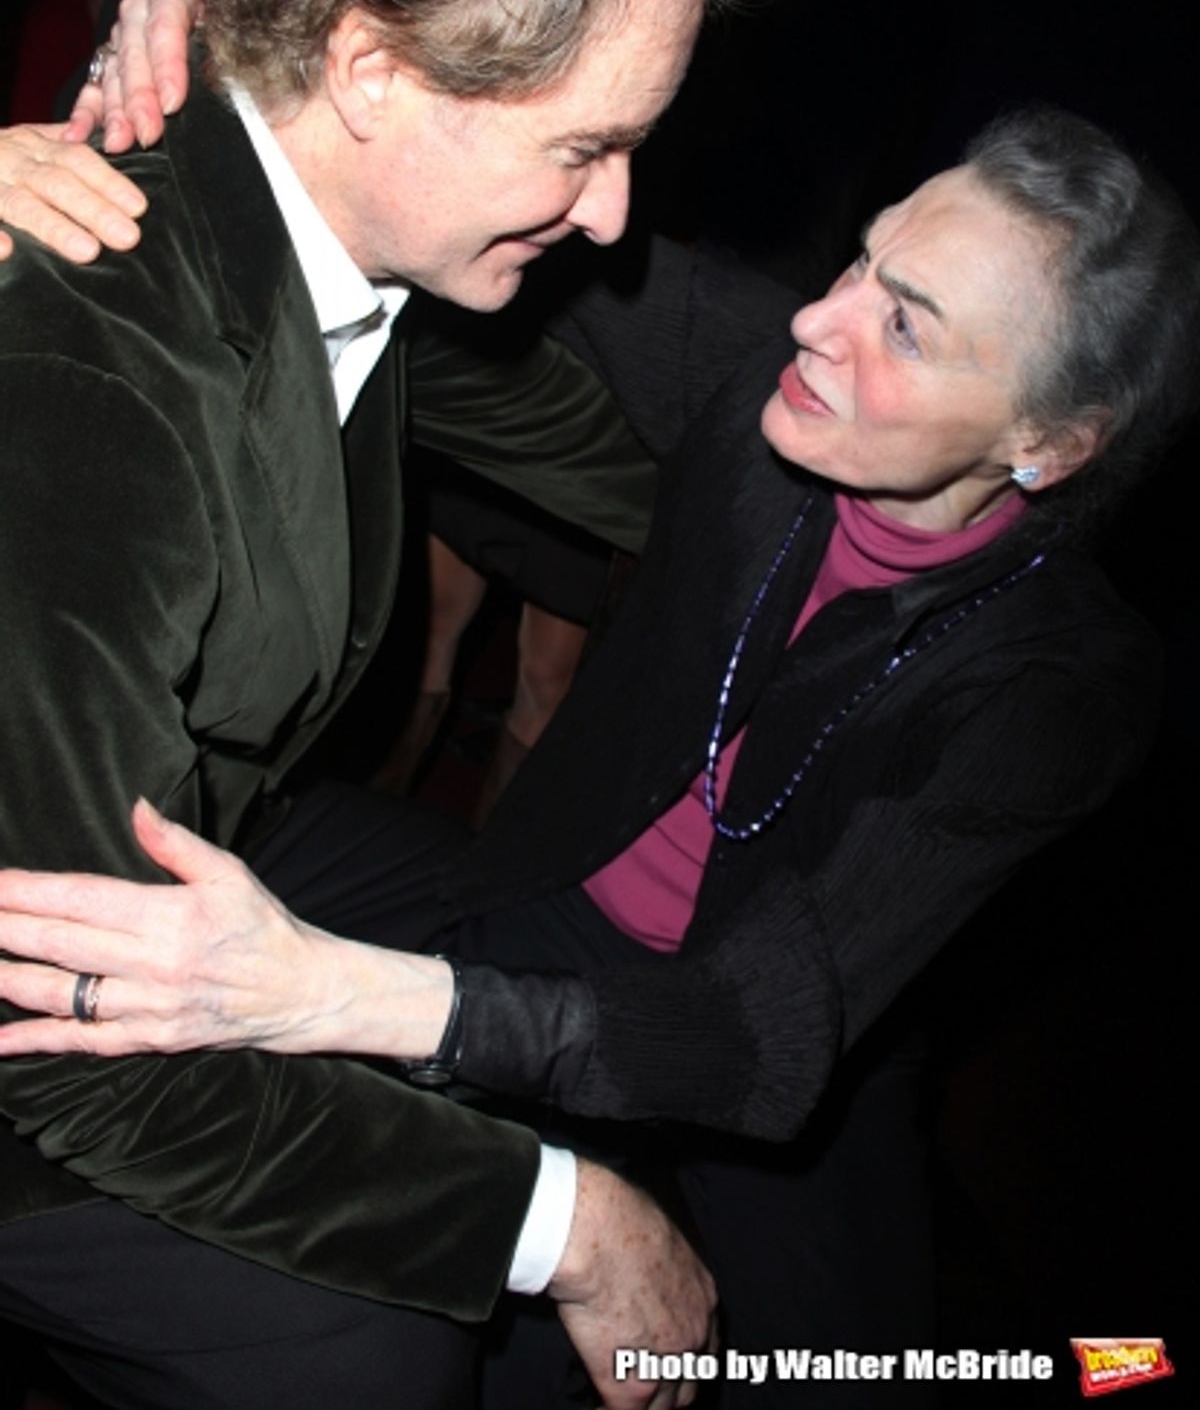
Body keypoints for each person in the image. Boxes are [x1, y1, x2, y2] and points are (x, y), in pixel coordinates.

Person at [4, 101, 1195, 1405]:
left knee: (860, 1367)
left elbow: (758, 1026)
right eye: (862, 260)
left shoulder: (1062, 691)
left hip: (774, 1042)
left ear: (1047, 444)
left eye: (906, 327)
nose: (820, 320)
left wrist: (331, 991)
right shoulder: (769, 370)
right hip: (548, 908)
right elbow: (417, 189)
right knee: (489, 1344)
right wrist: (136, 120)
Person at [0, 0, 747, 1410]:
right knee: (384, 1360)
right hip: (32, 1050)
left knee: (526, 936)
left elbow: (600, 456)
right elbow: (70, 1048)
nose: (615, 214)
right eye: (584, 146)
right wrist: (560, 1224)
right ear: (372, 71)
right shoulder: (94, 387)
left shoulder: (329, 225)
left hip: (190, 831)